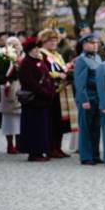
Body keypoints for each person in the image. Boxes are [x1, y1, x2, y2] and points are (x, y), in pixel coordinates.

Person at [18, 36, 56, 162]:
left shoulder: (39, 61)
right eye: (34, 49)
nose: (36, 50)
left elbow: (48, 77)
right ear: (28, 50)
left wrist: (50, 90)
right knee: (33, 127)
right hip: (33, 101)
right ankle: (34, 152)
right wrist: (44, 92)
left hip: (43, 100)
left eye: (37, 48)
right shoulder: (26, 63)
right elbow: (30, 82)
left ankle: (41, 150)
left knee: (42, 127)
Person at [40, 28, 75, 159]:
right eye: (50, 40)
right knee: (52, 122)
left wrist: (68, 71)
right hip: (50, 91)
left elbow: (62, 68)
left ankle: (57, 147)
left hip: (61, 90)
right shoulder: (42, 54)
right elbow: (44, 71)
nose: (53, 43)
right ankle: (50, 148)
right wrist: (58, 75)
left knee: (60, 121)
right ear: (44, 41)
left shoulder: (57, 55)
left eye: (55, 40)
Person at [73, 32, 103, 165]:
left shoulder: (98, 58)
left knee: (96, 128)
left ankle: (95, 155)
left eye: (97, 43)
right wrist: (84, 99)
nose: (95, 45)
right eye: (92, 43)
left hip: (98, 97)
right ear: (84, 45)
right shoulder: (81, 60)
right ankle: (86, 156)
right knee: (86, 128)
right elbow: (80, 83)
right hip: (88, 97)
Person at [0, 37, 23, 154]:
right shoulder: (4, 58)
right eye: (11, 45)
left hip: (21, 89)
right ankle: (9, 144)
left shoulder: (24, 57)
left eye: (16, 44)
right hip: (8, 89)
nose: (15, 47)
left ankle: (19, 144)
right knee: (9, 119)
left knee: (20, 118)